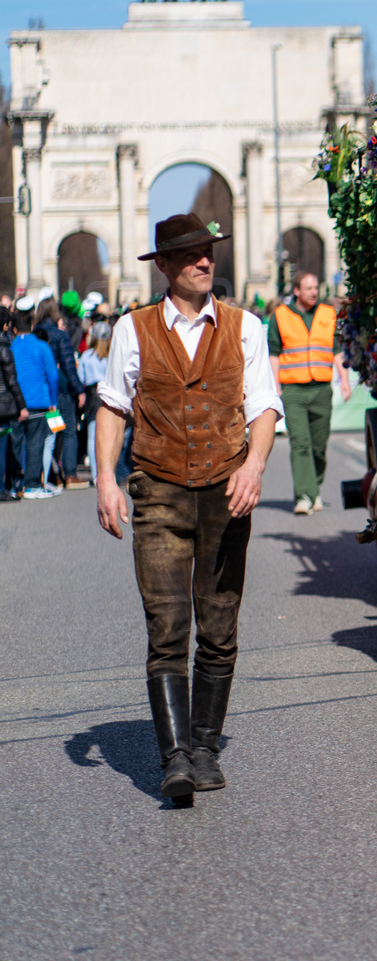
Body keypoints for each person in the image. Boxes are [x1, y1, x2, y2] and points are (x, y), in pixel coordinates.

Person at [94, 214, 283, 800]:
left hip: (226, 494)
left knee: (220, 626)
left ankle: (205, 746)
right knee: (168, 624)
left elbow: (264, 409)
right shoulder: (133, 329)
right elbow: (111, 406)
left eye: (209, 252)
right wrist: (106, 478)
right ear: (168, 267)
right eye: (193, 254)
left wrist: (253, 467)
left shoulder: (246, 327)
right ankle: (174, 756)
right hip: (159, 491)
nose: (206, 261)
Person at [269, 271, 350, 514]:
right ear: (296, 291)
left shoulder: (328, 313)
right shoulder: (280, 316)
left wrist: (344, 380)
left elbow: (336, 349)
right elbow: (273, 352)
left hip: (321, 389)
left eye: (316, 287)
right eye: (308, 288)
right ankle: (304, 496)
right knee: (300, 443)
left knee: (318, 446)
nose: (314, 292)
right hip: (293, 390)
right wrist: (275, 386)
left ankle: (313, 489)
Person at [34, 297, 87, 489]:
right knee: (69, 432)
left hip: (40, 391)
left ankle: (52, 474)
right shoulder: (59, 334)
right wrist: (79, 389)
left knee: (48, 435)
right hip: (61, 390)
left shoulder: (34, 333)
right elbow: (68, 365)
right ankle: (70, 474)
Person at [10, 308, 58, 500]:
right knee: (35, 444)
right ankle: (32, 484)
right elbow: (52, 375)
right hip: (39, 401)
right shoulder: (42, 347)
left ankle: (14, 484)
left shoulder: (10, 348)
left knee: (15, 445)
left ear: (13, 330)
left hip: (15, 404)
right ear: (31, 327)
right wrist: (54, 400)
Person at [78, 323, 111, 484]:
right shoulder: (112, 357)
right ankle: (110, 472)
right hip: (108, 396)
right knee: (109, 436)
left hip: (92, 396)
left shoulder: (86, 356)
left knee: (92, 437)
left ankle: (95, 474)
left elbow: (80, 378)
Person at [0, 308, 25, 502]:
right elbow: (11, 381)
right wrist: (21, 405)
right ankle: (2, 488)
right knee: (2, 448)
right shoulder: (4, 348)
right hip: (3, 406)